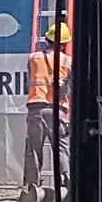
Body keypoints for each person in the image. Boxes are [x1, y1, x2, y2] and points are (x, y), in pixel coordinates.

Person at [22, 23, 69, 192]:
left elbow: (30, 78)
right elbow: (70, 87)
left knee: (34, 149)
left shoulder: (33, 58)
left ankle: (33, 186)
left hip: (35, 108)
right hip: (57, 110)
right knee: (62, 147)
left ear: (47, 39)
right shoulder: (67, 61)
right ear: (64, 43)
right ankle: (68, 180)